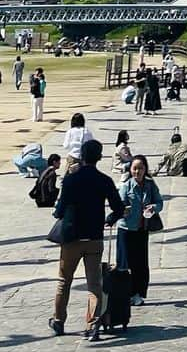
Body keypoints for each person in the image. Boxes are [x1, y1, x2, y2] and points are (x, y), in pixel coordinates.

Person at [49, 138, 125, 339]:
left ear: (82, 156)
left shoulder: (71, 179)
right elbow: (118, 207)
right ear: (99, 157)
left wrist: (59, 213)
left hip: (71, 238)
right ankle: (92, 324)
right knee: (94, 283)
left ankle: (58, 320)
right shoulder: (104, 180)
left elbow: (60, 209)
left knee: (64, 281)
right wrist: (110, 218)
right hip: (94, 238)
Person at [117, 154, 163, 307]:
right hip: (126, 229)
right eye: (135, 169)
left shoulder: (150, 185)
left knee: (141, 263)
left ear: (145, 169)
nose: (137, 172)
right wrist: (123, 209)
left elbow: (159, 202)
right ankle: (126, 293)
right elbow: (119, 204)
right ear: (130, 170)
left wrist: (154, 207)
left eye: (140, 168)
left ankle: (139, 293)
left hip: (142, 229)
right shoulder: (126, 185)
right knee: (126, 263)